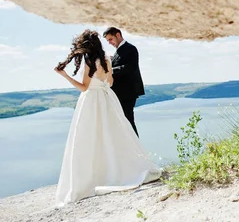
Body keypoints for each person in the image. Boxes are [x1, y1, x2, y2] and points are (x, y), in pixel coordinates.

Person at [53, 29, 161, 205]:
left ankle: (98, 173)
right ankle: (122, 167)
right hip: (107, 97)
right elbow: (109, 82)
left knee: (89, 136)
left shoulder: (92, 61)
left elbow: (84, 87)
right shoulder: (106, 59)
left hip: (92, 100)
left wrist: (64, 75)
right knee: (115, 132)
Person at [103, 26, 145, 136]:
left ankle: (137, 149)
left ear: (118, 35)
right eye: (107, 41)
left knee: (128, 121)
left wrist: (110, 70)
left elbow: (129, 67)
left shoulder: (130, 48)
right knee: (122, 121)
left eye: (110, 39)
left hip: (127, 92)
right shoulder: (119, 51)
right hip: (121, 92)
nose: (109, 43)